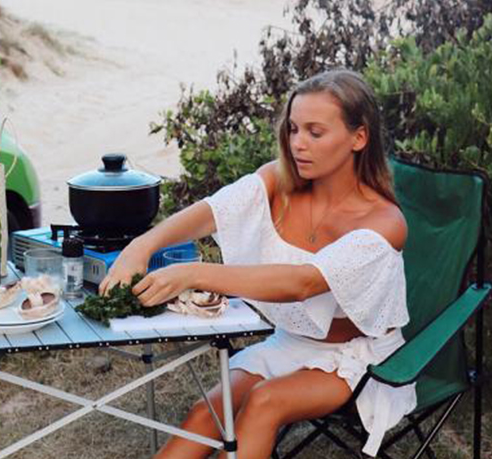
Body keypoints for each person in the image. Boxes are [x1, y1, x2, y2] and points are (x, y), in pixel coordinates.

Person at [98, 69, 417, 459]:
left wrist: (194, 273)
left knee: (264, 403)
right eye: (294, 129)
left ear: (359, 137)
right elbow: (211, 212)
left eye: (315, 133)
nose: (299, 144)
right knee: (206, 413)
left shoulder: (383, 223)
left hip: (359, 356)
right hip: (290, 344)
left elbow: (303, 283)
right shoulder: (278, 181)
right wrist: (141, 246)